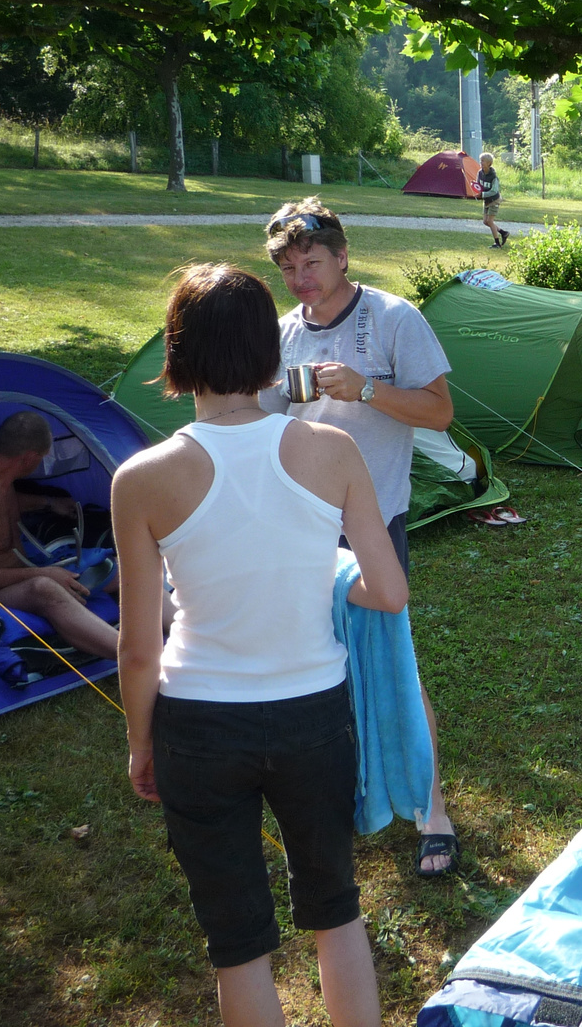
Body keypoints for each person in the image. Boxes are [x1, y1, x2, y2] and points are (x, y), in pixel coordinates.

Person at [114, 263, 406, 1027]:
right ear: (271, 361)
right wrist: (332, 576)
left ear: (175, 358)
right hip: (314, 717)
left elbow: (140, 647)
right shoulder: (332, 454)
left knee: (237, 944)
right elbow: (388, 591)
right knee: (337, 913)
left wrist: (140, 742)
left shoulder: (140, 478)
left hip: (197, 727)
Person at [258, 198, 462, 876]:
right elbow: (266, 417)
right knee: (318, 660)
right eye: (288, 267)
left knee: (393, 656)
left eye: (310, 262)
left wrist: (367, 391)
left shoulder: (392, 317)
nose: (301, 278)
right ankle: (348, 787)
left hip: (372, 522)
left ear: (342, 255)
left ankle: (432, 808)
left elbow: (439, 411)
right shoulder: (286, 332)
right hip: (301, 524)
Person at [0, 411, 122, 659]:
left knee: (119, 569)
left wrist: (48, 502)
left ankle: (183, 637)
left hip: (24, 569)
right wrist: (42, 573)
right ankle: (139, 661)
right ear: (27, 459)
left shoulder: (0, 475)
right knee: (44, 588)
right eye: (41, 459)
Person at [477, 152, 507, 247]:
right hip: (486, 200)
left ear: (489, 163)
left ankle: (497, 243)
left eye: (483, 161)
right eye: (481, 161)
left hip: (494, 200)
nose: (481, 163)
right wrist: (475, 189)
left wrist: (483, 194)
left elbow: (494, 191)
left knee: (490, 221)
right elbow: (478, 185)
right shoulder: (480, 173)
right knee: (485, 221)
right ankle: (503, 233)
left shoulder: (493, 176)